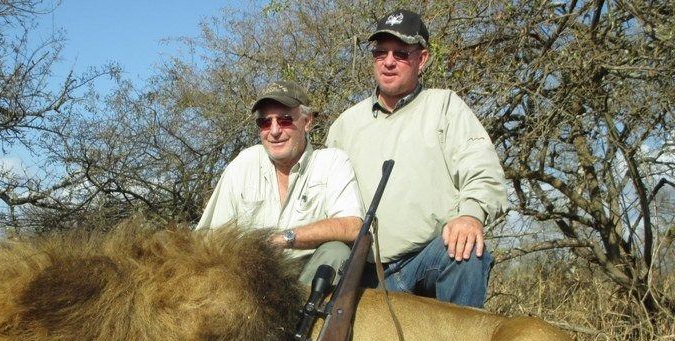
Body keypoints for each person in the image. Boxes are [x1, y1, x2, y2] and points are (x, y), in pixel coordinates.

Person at [326, 9, 507, 308]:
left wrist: (470, 215)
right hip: (361, 268)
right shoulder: (344, 125)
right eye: (380, 52)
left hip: (423, 260)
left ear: (422, 59)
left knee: (465, 254)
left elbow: (482, 170)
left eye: (401, 53)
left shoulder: (445, 106)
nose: (388, 61)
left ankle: (460, 339)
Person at [197, 80, 364, 287]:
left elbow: (352, 226)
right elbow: (210, 238)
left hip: (309, 281)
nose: (274, 131)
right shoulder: (243, 164)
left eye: (285, 120)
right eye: (265, 123)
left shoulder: (332, 162)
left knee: (337, 252)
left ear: (307, 121)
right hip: (252, 281)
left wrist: (284, 238)